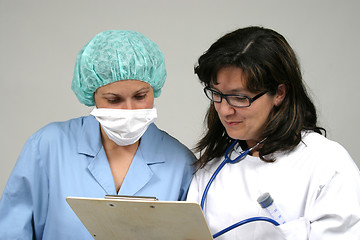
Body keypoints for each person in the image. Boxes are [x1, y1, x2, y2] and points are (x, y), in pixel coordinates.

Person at [0, 30, 196, 239]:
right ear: (92, 95)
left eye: (140, 96)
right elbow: (12, 231)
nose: (129, 110)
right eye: (113, 100)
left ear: (154, 90)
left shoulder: (181, 163)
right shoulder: (49, 146)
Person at [187, 26, 360, 239]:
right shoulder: (210, 169)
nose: (224, 110)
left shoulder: (327, 165)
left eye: (240, 98)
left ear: (279, 93)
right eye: (216, 94)